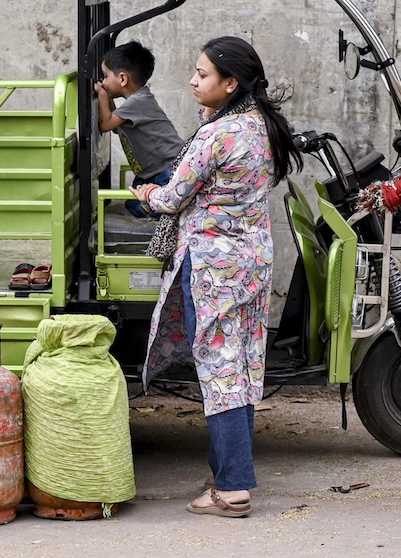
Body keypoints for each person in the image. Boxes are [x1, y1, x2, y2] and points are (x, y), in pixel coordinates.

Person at [132, 36, 303, 517]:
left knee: (220, 371)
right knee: (244, 366)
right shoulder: (262, 127)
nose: (192, 80)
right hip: (251, 264)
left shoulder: (217, 135)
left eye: (203, 74)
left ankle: (231, 491)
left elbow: (170, 198)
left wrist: (145, 192)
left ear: (231, 83)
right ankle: (229, 471)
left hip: (211, 268)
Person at [94, 40, 183, 218]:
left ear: (122, 78)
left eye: (105, 76)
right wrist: (107, 97)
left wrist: (102, 95)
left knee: (139, 206)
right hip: (151, 173)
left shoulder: (137, 102)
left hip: (167, 170)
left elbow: (105, 124)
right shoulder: (136, 102)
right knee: (132, 203)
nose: (103, 82)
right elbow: (113, 122)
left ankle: (165, 209)